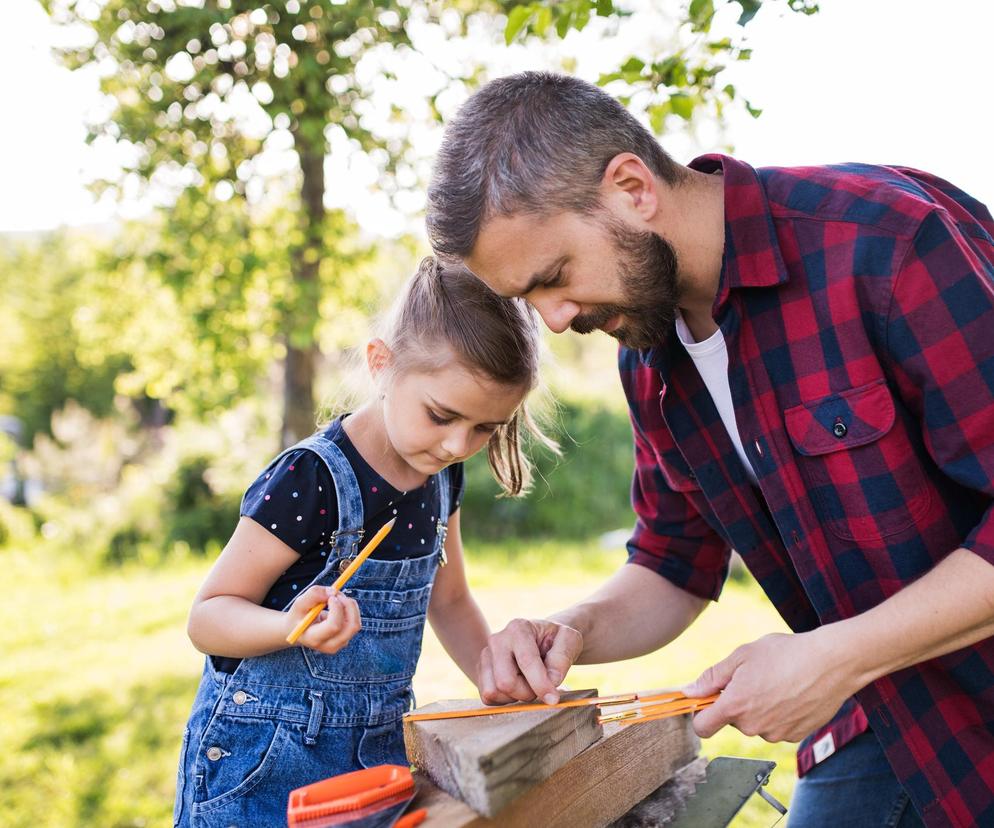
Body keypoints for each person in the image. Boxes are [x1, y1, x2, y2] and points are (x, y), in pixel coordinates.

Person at [425, 71, 994, 827]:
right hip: (876, 713)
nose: (556, 321)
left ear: (632, 186)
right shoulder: (650, 354)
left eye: (554, 278)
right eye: (530, 301)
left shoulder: (887, 246)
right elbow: (674, 562)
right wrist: (574, 630)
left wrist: (834, 657)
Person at [173, 256, 554, 828]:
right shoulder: (311, 478)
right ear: (382, 364)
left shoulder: (441, 476)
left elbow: (448, 602)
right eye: (442, 415)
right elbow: (207, 618)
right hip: (263, 766)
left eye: (484, 429)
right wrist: (289, 627)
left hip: (378, 761)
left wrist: (496, 679)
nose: (456, 444)